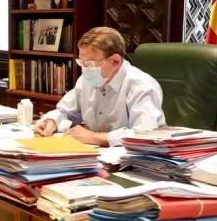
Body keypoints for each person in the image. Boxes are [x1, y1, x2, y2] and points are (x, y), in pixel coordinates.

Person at [33, 26, 165, 146]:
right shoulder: (87, 80)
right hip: (95, 156)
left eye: (89, 64)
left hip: (135, 161)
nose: (84, 70)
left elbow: (145, 135)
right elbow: (65, 111)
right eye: (81, 62)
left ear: (115, 61)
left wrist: (93, 137)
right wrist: (51, 122)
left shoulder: (141, 85)